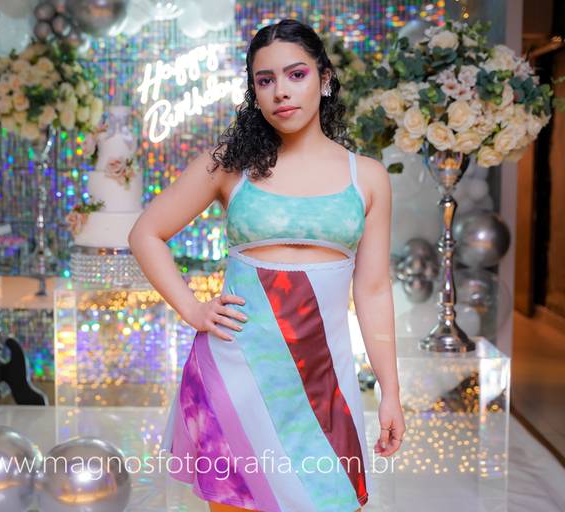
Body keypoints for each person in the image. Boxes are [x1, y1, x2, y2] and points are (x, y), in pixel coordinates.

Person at [128, 18, 405, 512]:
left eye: (296, 74)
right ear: (254, 92)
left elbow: (374, 290)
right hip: (236, 374)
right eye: (265, 80)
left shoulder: (366, 177)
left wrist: (390, 391)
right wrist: (193, 309)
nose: (281, 91)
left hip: (325, 386)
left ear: (324, 78)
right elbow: (145, 233)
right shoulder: (228, 165)